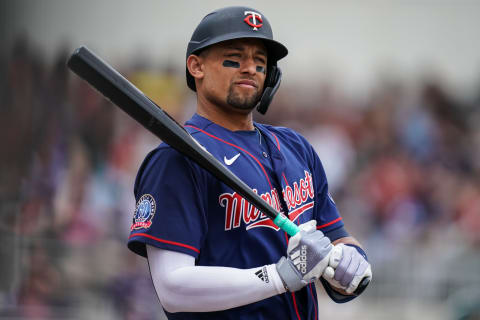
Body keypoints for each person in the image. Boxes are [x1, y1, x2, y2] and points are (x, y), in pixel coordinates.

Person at [127, 6, 372, 320]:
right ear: (196, 66)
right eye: (234, 58)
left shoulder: (296, 147)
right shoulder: (177, 157)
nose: (250, 69)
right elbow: (173, 288)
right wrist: (277, 277)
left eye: (260, 62)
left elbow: (335, 234)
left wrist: (351, 262)